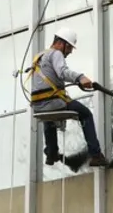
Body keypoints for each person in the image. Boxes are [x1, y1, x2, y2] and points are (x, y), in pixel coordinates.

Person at [29, 28, 108, 168]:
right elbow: (62, 72)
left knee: (50, 117)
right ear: (60, 43)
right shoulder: (56, 54)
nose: (70, 51)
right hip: (53, 101)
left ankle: (51, 152)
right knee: (86, 114)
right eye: (70, 47)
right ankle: (96, 155)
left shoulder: (39, 56)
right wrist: (80, 77)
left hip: (38, 105)